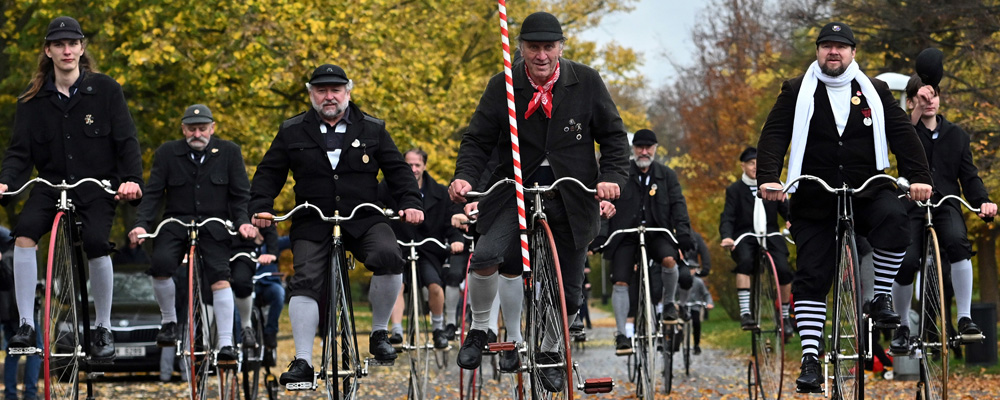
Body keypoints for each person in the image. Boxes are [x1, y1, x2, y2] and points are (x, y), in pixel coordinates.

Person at [448, 11, 629, 392]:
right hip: (513, 190)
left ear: (561, 48)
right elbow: (477, 139)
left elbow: (614, 138)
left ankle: (550, 349)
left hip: (571, 195)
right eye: (533, 47)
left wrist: (611, 178)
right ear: (521, 48)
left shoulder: (587, 82)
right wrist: (464, 175)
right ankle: (480, 329)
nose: (541, 55)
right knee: (485, 255)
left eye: (549, 47)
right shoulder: (504, 84)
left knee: (568, 291)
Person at [756, 22, 932, 393]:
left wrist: (919, 176)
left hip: (867, 187)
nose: (832, 52)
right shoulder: (795, 90)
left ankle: (880, 295)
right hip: (815, 193)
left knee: (896, 217)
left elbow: (902, 133)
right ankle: (809, 358)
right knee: (812, 272)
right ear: (818, 51)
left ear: (852, 53)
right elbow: (774, 134)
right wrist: (769, 177)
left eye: (840, 47)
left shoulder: (875, 91)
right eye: (826, 46)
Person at [250, 64, 423, 386]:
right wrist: (260, 206)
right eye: (321, 90)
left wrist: (411, 203)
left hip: (364, 218)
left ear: (348, 91)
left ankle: (378, 332)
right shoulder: (292, 130)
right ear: (311, 93)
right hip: (312, 220)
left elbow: (399, 172)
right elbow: (268, 173)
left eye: (335, 90)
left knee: (388, 256)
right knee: (305, 280)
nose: (329, 96)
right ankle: (302, 360)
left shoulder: (373, 128)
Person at [0, 16, 144, 362]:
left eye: (73, 43)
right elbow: (19, 153)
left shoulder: (106, 90)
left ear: (81, 48)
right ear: (48, 51)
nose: (67, 50)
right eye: (60, 44)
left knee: (96, 241)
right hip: (50, 186)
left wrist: (132, 181)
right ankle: (25, 325)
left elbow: (126, 142)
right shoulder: (31, 100)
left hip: (95, 186)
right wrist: (6, 180)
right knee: (23, 234)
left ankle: (103, 327)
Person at [128, 104, 256, 363]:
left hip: (215, 224)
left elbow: (241, 195)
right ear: (183, 128)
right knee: (160, 264)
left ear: (212, 128)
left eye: (202, 128)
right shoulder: (167, 153)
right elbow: (153, 193)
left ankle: (226, 344)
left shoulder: (230, 152)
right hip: (176, 222)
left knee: (220, 276)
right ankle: (169, 323)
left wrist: (242, 222)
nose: (197, 134)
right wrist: (142, 224)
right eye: (192, 128)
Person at [889, 72, 997, 354]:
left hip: (946, 202)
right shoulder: (906, 131)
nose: (929, 101)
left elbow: (969, 176)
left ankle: (964, 318)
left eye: (933, 95)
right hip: (912, 204)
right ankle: (901, 326)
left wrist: (983, 201)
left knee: (958, 241)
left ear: (940, 98)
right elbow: (898, 137)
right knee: (905, 258)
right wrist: (912, 112)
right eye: (922, 97)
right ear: (912, 102)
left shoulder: (957, 135)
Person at [599, 129, 693, 352]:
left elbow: (679, 206)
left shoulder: (667, 175)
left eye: (648, 147)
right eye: (639, 147)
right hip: (625, 235)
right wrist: (600, 236)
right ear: (633, 149)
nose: (643, 151)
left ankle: (669, 304)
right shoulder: (621, 174)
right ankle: (622, 334)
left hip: (657, 232)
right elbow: (605, 203)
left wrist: (683, 234)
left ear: (655, 149)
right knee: (620, 280)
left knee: (670, 259)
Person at [381, 148, 465, 350]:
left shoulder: (439, 192)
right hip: (399, 247)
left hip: (428, 249)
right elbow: (377, 210)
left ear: (424, 166)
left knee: (435, 285)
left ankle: (438, 329)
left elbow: (449, 223)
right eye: (409, 164)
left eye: (417, 165)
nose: (413, 169)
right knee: (397, 285)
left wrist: (456, 240)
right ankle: (397, 330)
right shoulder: (387, 188)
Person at [719, 146, 794, 336]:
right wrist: (727, 236)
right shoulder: (735, 190)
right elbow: (727, 216)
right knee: (744, 261)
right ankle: (745, 313)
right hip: (746, 233)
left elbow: (785, 208)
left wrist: (791, 219)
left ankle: (784, 316)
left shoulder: (772, 184)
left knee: (784, 270)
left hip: (769, 232)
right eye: (751, 163)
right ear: (743, 166)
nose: (755, 167)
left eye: (758, 163)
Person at [230, 225, 283, 353]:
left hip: (266, 284)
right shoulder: (242, 244)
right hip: (248, 283)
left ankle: (270, 333)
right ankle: (238, 343)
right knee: (237, 306)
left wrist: (272, 256)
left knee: (279, 293)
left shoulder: (271, 243)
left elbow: (291, 240)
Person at [686, 275, 714, 355]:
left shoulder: (698, 282)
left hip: (695, 306)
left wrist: (709, 303)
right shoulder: (679, 279)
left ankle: (696, 345)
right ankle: (676, 341)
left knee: (696, 323)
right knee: (678, 323)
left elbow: (706, 294)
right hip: (683, 305)